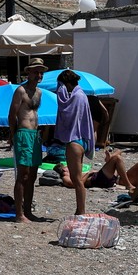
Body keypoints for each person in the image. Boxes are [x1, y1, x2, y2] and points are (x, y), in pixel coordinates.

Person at [9, 61, 48, 222]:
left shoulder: (39, 92)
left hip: (34, 135)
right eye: (36, 72)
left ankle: (27, 211)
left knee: (32, 175)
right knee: (23, 175)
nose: (39, 75)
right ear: (29, 72)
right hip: (23, 133)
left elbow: (35, 114)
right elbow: (12, 115)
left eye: (41, 73)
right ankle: (19, 214)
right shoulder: (20, 91)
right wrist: (13, 135)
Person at [53, 69, 94, 219]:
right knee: (77, 178)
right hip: (81, 140)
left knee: (76, 180)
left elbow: (66, 109)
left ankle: (81, 210)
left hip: (74, 141)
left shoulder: (76, 96)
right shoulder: (81, 95)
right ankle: (79, 209)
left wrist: (61, 94)